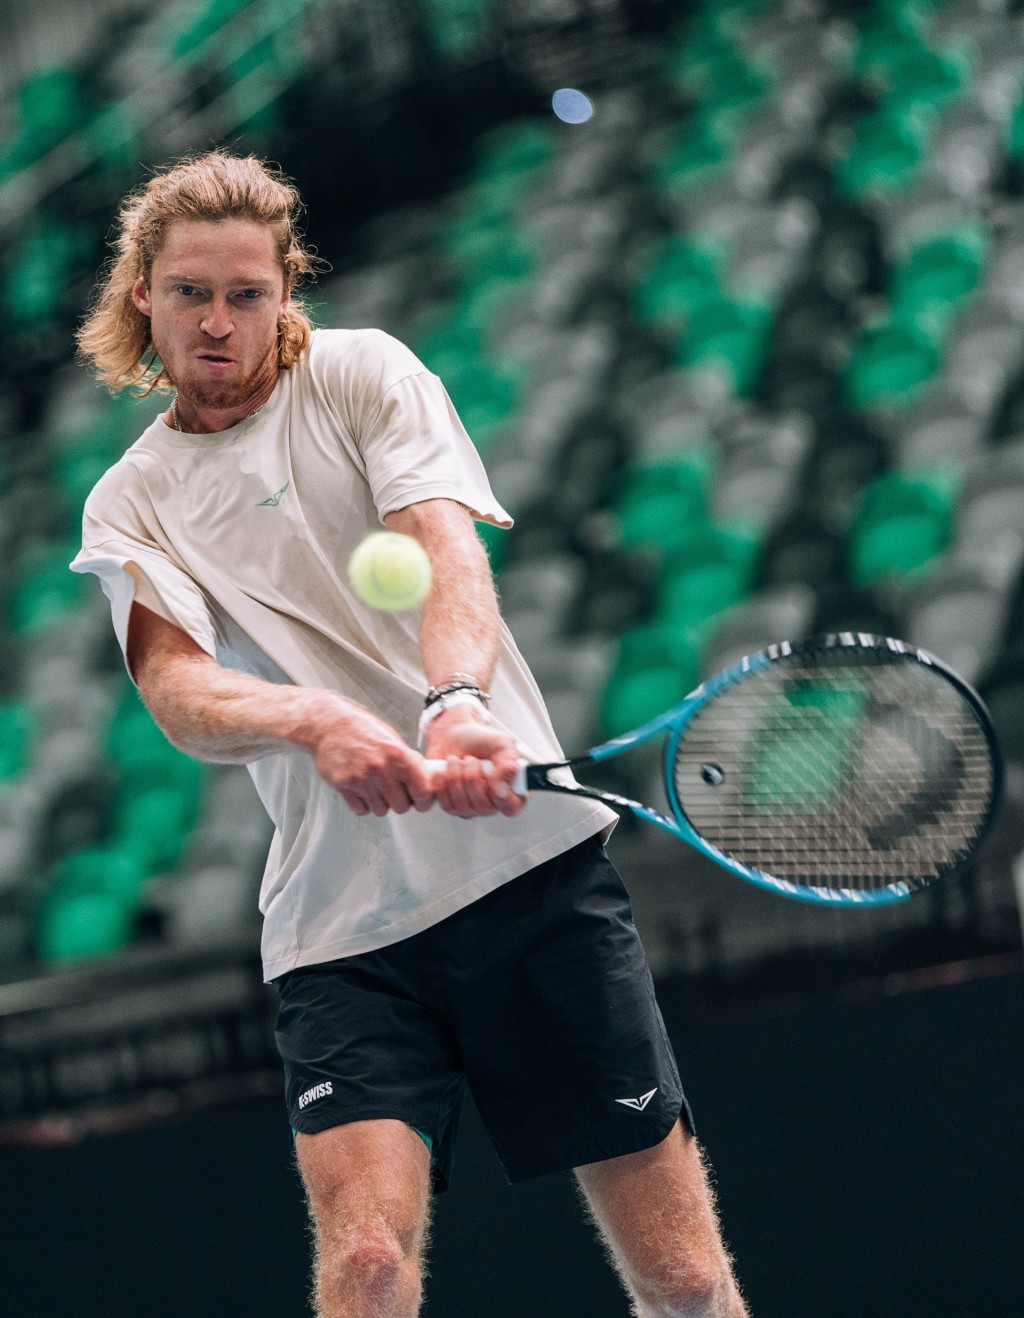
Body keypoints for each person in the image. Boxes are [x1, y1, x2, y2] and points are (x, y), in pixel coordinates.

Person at [72, 151, 748, 1318]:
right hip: (344, 935)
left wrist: (457, 701)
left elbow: (441, 540)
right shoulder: (130, 501)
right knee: (370, 1264)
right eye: (190, 292)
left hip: (529, 876)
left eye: (247, 292)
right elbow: (177, 690)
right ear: (143, 292)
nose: (219, 322)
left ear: (286, 289)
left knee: (683, 1278)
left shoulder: (361, 374)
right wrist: (314, 719)